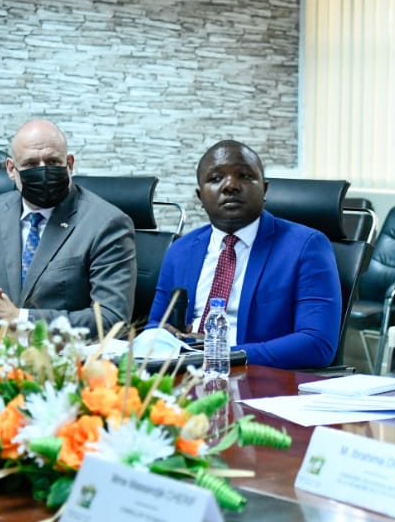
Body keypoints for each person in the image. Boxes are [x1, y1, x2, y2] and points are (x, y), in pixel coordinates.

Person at [146, 140, 341, 369]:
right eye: (216, 178)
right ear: (200, 197)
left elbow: (317, 344)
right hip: (185, 377)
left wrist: (219, 354)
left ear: (264, 190)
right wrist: (162, 337)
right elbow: (155, 326)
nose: (230, 185)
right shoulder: (181, 250)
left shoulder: (306, 247)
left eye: (245, 176)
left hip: (260, 378)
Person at [0, 120, 136, 331]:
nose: (43, 171)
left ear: (69, 164)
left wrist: (20, 318)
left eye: (53, 161)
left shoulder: (106, 223)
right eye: (31, 164)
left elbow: (112, 319)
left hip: (70, 350)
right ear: (11, 169)